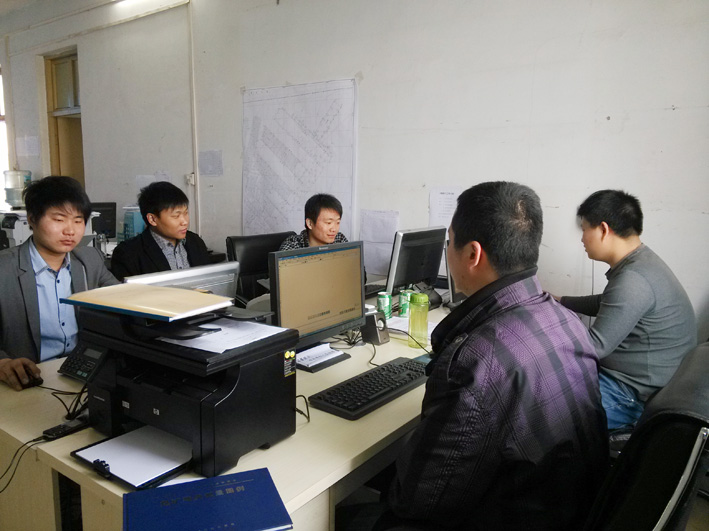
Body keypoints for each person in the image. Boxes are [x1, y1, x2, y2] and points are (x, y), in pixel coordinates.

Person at [378, 181, 608, 530]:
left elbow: (418, 500)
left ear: (473, 254)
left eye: (449, 241)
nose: (447, 252)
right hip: (569, 511)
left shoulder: (476, 359)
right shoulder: (567, 321)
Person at [558, 190, 696, 429]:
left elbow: (595, 346)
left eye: (584, 229)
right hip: (639, 380)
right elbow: (608, 302)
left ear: (603, 230)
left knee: (547, 415)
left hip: (632, 395)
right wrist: (560, 301)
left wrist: (540, 339)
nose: (582, 239)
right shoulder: (641, 262)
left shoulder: (633, 279)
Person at [0, 176, 118, 391]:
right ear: (32, 219)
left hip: (81, 371)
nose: (70, 231)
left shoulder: (89, 259)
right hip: (28, 381)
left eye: (78, 220)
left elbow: (123, 298)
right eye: (59, 219)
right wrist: (3, 363)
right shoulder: (4, 268)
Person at [111, 181, 211, 281]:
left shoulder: (195, 242)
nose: (184, 221)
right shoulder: (128, 253)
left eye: (186, 213)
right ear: (152, 219)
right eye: (176, 216)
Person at [279, 193, 349, 250]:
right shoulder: (293, 246)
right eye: (328, 223)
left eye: (338, 222)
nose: (334, 229)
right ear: (310, 223)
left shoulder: (339, 240)